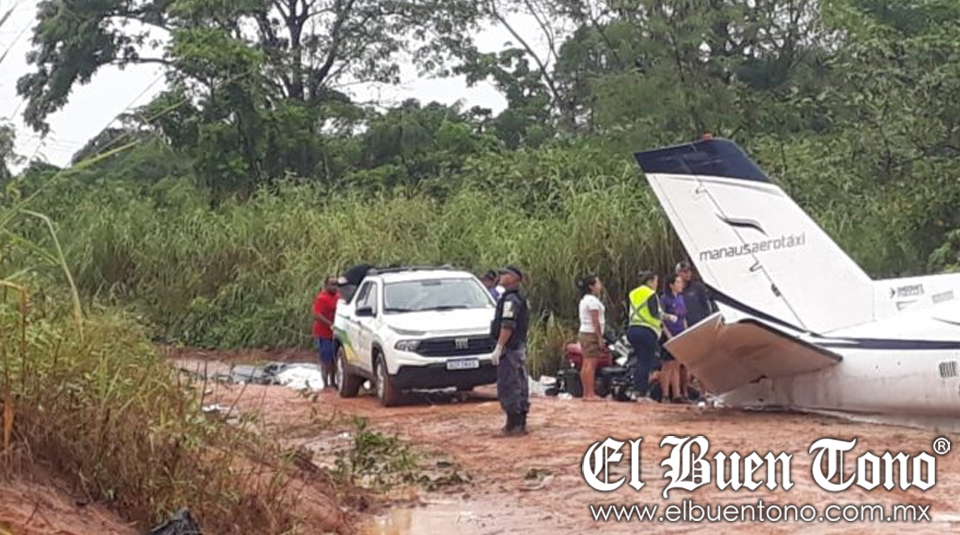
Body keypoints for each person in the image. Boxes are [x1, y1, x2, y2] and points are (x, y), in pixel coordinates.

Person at [490, 265, 531, 436]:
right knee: (519, 383)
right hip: (516, 347)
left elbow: (507, 325)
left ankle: (514, 424)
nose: (501, 276)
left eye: (505, 274)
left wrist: (499, 346)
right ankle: (519, 423)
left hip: (510, 348)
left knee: (509, 383)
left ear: (514, 278)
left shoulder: (511, 300)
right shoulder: (515, 298)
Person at [626, 270, 676, 402]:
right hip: (646, 331)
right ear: (649, 281)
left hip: (632, 329)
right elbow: (654, 313)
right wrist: (669, 317)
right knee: (646, 362)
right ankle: (641, 394)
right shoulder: (650, 293)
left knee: (639, 361)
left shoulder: (633, 293)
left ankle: (636, 391)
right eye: (655, 281)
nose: (656, 284)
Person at [577, 274, 608, 402]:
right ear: (591, 286)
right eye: (598, 283)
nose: (600, 286)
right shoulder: (593, 301)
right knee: (591, 364)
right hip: (591, 334)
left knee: (586, 363)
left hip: (584, 332)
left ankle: (586, 392)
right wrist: (599, 337)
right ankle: (590, 393)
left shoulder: (584, 300)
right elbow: (595, 320)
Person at [660, 273, 689, 402]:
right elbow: (660, 318)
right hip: (669, 334)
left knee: (677, 364)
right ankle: (665, 395)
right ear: (671, 285)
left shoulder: (681, 298)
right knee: (668, 365)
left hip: (680, 333)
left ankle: (677, 394)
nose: (680, 284)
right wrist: (668, 335)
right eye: (678, 282)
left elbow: (683, 317)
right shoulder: (665, 299)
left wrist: (686, 332)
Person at [313, 276, 341, 389]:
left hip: (335, 333)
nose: (335, 287)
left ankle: (333, 382)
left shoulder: (339, 297)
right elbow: (317, 315)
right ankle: (325, 384)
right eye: (332, 284)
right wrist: (329, 324)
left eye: (336, 284)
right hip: (323, 333)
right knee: (326, 360)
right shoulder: (321, 298)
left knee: (334, 359)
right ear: (326, 286)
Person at [676, 261, 715, 327]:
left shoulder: (698, 287)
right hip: (688, 328)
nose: (688, 273)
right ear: (678, 273)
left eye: (689, 270)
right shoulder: (675, 291)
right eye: (685, 271)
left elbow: (708, 305)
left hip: (703, 324)